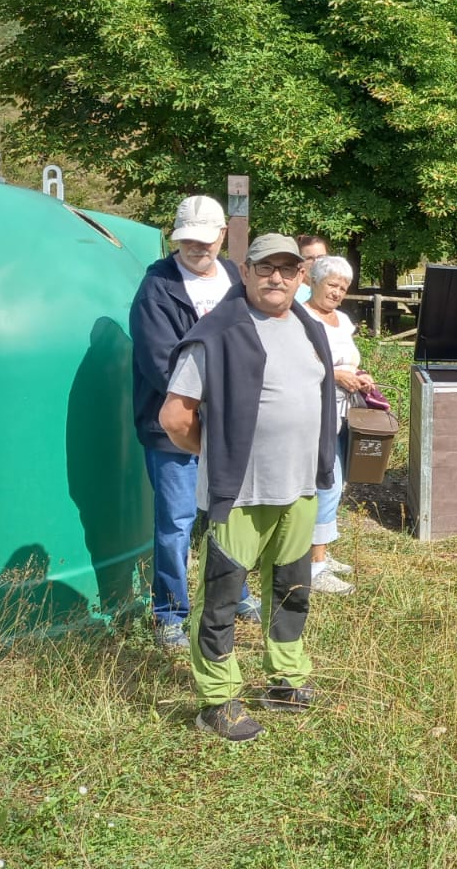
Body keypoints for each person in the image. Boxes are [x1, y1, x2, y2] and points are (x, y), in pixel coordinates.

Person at [159, 233, 338, 742]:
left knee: (292, 589)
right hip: (240, 495)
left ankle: (284, 680)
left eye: (287, 269)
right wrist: (218, 454)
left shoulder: (308, 328)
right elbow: (174, 417)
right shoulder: (217, 333)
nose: (276, 277)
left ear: (302, 276)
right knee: (221, 598)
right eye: (265, 268)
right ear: (245, 270)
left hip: (300, 489)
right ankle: (217, 700)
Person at [128, 195, 257, 648]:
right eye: (187, 241)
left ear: (222, 235)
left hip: (230, 424)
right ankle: (169, 612)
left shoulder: (236, 282)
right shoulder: (157, 288)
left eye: (205, 240)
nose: (196, 249)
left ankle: (235, 591)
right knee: (177, 522)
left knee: (230, 513)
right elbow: (160, 363)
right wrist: (209, 406)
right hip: (174, 424)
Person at [302, 254, 373, 596]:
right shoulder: (300, 316)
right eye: (332, 284)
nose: (337, 293)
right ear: (314, 281)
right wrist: (336, 375)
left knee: (335, 483)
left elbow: (347, 359)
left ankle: (320, 554)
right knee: (326, 484)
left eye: (343, 287)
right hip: (313, 411)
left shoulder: (341, 320)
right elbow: (297, 365)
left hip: (343, 412)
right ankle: (314, 567)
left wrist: (359, 376)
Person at [293, 235, 328, 305]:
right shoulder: (294, 293)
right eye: (310, 258)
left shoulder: (325, 290)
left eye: (321, 257)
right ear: (298, 262)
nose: (316, 262)